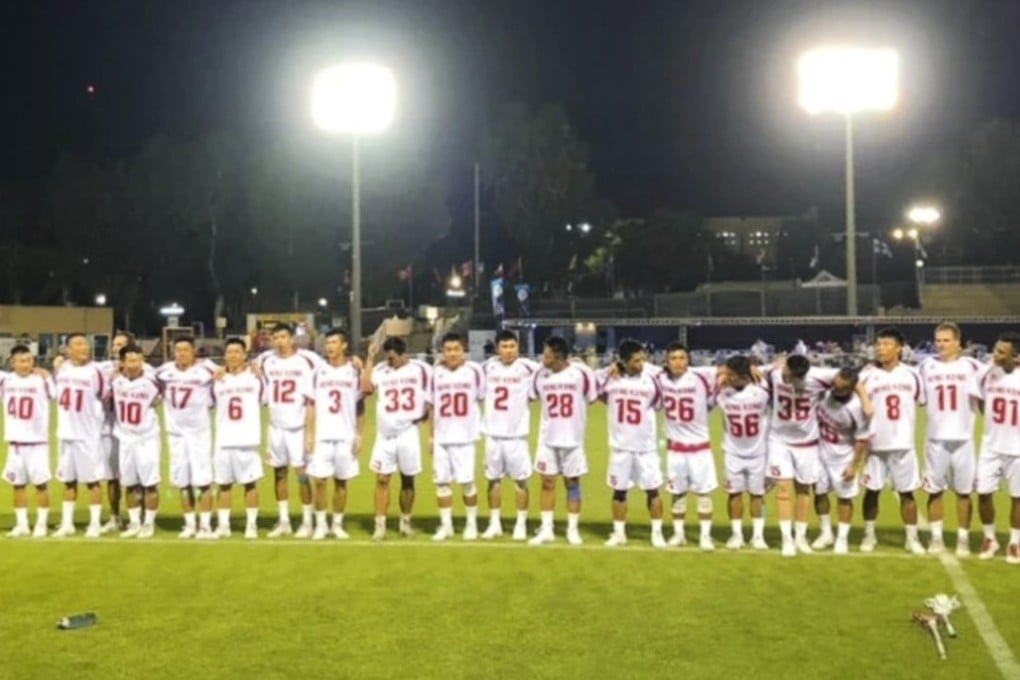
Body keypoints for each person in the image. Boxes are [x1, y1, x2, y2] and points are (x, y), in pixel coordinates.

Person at [917, 322, 983, 556]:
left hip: (964, 439)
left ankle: (963, 539)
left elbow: (994, 379)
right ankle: (936, 538)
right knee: (935, 491)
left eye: (946, 340)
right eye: (938, 340)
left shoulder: (972, 366)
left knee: (964, 492)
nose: (941, 344)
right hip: (935, 439)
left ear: (957, 343)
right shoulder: (926, 366)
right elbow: (915, 392)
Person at [858, 327, 925, 555]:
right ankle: (869, 535)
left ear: (899, 348)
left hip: (904, 443)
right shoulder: (866, 376)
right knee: (872, 491)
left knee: (907, 493)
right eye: (878, 344)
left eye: (886, 344)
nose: (881, 349)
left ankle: (912, 538)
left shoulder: (912, 374)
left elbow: (921, 400)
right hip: (875, 444)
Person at [766, 353, 840, 557]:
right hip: (779, 441)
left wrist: (865, 397)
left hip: (807, 443)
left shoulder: (817, 377)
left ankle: (800, 536)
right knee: (783, 488)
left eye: (797, 378)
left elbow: (846, 377)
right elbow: (751, 370)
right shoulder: (773, 373)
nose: (792, 380)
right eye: (789, 375)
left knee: (804, 489)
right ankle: (786, 539)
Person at [529, 336, 598, 546]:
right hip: (547, 439)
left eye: (547, 354)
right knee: (547, 483)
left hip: (573, 440)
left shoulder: (581, 373)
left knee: (573, 484)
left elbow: (592, 397)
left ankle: (572, 530)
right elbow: (533, 395)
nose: (543, 358)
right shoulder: (540, 374)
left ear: (558, 356)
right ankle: (546, 529)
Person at [363, 336, 432, 540]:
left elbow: (432, 395)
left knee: (408, 479)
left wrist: (425, 415)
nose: (389, 361)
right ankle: (380, 526)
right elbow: (365, 388)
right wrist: (370, 358)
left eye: (392, 357)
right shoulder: (380, 369)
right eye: (387, 357)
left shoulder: (420, 369)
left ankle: (405, 523)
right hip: (385, 435)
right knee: (382, 478)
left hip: (407, 432)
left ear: (403, 355)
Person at [599, 340, 666, 547]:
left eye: (642, 359)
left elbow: (659, 401)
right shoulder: (611, 378)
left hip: (646, 447)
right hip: (620, 447)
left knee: (653, 490)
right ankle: (619, 533)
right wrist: (611, 369)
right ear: (624, 361)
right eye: (636, 360)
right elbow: (596, 389)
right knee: (619, 491)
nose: (641, 363)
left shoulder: (652, 378)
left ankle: (657, 533)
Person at [258, 323, 321, 538]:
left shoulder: (308, 359)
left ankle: (307, 521)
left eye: (283, 337)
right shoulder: (266, 359)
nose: (279, 341)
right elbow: (245, 365)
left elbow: (330, 368)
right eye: (275, 337)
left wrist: (354, 361)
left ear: (292, 338)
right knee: (279, 473)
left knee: (302, 474)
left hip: (298, 427)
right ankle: (284, 520)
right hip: (275, 426)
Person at [655, 342, 718, 551]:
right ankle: (678, 534)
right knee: (677, 494)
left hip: (700, 448)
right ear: (666, 361)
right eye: (673, 358)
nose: (678, 362)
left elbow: (728, 369)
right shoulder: (661, 378)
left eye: (682, 358)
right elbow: (638, 366)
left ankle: (705, 536)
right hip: (675, 449)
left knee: (703, 495)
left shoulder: (701, 375)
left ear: (688, 360)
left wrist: (753, 367)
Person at [156, 335, 217, 539]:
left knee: (204, 480)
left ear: (193, 352)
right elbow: (145, 374)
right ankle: (190, 524)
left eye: (186, 350)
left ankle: (205, 525)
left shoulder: (205, 369)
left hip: (199, 433)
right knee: (182, 482)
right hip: (176, 434)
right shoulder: (164, 371)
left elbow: (227, 370)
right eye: (178, 350)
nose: (181, 353)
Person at [480, 330, 539, 540]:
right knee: (493, 481)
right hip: (493, 435)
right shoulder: (486, 368)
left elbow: (553, 370)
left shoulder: (529, 367)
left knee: (520, 482)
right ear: (497, 349)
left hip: (517, 436)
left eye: (512, 346)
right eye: (504, 347)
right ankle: (494, 523)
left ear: (518, 347)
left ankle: (520, 524)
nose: (509, 351)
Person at [307, 328, 363, 540]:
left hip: (346, 435)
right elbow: (310, 404)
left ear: (344, 345)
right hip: (322, 435)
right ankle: (321, 525)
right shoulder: (318, 371)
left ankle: (337, 525)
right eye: (327, 343)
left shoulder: (354, 370)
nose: (329, 346)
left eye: (334, 342)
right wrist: (309, 434)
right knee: (319, 481)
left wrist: (359, 435)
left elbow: (360, 405)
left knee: (341, 482)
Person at [429, 332, 486, 541]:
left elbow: (482, 397)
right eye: (448, 350)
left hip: (465, 437)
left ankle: (471, 525)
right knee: (441, 483)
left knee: (467, 483)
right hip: (442, 438)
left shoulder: (474, 371)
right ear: (442, 352)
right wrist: (431, 436)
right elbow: (432, 405)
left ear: (464, 350)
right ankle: (446, 526)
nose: (452, 354)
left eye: (456, 349)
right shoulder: (436, 373)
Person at [53, 333, 108, 538]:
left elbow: (105, 396)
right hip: (65, 434)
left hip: (88, 435)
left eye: (85, 344)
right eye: (78, 344)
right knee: (68, 480)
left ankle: (95, 524)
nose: (84, 347)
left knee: (93, 481)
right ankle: (67, 523)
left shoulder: (96, 371)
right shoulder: (62, 368)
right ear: (68, 349)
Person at [973, 331, 1020, 564]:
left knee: (1018, 497)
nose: (995, 355)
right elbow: (980, 399)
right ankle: (990, 538)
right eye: (995, 349)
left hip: (1018, 449)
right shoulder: (987, 372)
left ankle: (1015, 543)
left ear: (1016, 356)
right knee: (983, 493)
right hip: (990, 446)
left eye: (1002, 352)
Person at [813, 367, 871, 555]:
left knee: (844, 498)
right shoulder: (824, 394)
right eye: (833, 386)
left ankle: (842, 538)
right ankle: (825, 533)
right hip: (820, 453)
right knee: (819, 493)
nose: (834, 390)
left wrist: (854, 465)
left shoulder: (856, 408)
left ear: (850, 389)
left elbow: (862, 439)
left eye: (838, 389)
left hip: (843, 457)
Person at [717, 354, 771, 550]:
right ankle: (736, 534)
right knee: (734, 494)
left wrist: (758, 370)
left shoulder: (762, 392)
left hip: (758, 453)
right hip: (732, 453)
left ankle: (758, 536)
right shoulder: (723, 394)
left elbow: (777, 370)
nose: (728, 378)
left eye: (732, 375)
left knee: (758, 495)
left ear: (744, 375)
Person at [213, 337, 265, 539]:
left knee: (250, 484)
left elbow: (267, 396)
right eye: (229, 352)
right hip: (223, 439)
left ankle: (251, 525)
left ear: (245, 355)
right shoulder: (218, 379)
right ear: (224, 356)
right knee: (223, 484)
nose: (233, 355)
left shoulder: (255, 377)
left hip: (247, 439)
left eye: (237, 352)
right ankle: (224, 525)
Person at [111, 344, 163, 539]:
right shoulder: (116, 382)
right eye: (130, 360)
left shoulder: (152, 381)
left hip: (146, 438)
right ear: (122, 362)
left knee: (150, 483)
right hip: (125, 437)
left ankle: (148, 523)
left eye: (137, 359)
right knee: (129, 483)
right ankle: (134, 522)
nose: (134, 364)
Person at [1, 345, 54, 537]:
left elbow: (55, 395)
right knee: (18, 485)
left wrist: (48, 375)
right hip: (15, 444)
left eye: (29, 361)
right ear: (12, 363)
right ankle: (22, 524)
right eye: (21, 361)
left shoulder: (41, 380)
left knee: (41, 485)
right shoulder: (5, 380)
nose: (25, 365)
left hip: (37, 443)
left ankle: (41, 524)